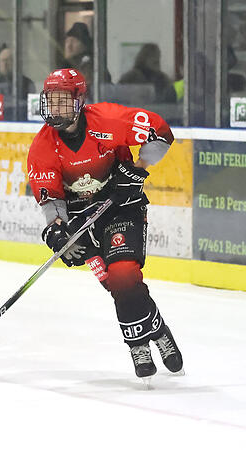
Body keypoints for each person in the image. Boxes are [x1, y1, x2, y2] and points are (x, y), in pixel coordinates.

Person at [27, 69, 183, 379]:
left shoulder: (109, 120)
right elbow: (51, 200)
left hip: (121, 207)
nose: (55, 109)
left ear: (79, 101)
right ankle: (157, 328)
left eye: (62, 102)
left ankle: (137, 345)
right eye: (50, 102)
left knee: (124, 275)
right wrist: (57, 230)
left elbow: (161, 132)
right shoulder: (43, 146)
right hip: (83, 221)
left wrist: (137, 169)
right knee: (117, 287)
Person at [61, 22, 110, 89]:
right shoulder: (67, 65)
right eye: (67, 41)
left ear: (84, 45)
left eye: (74, 41)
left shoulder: (89, 63)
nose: (69, 46)